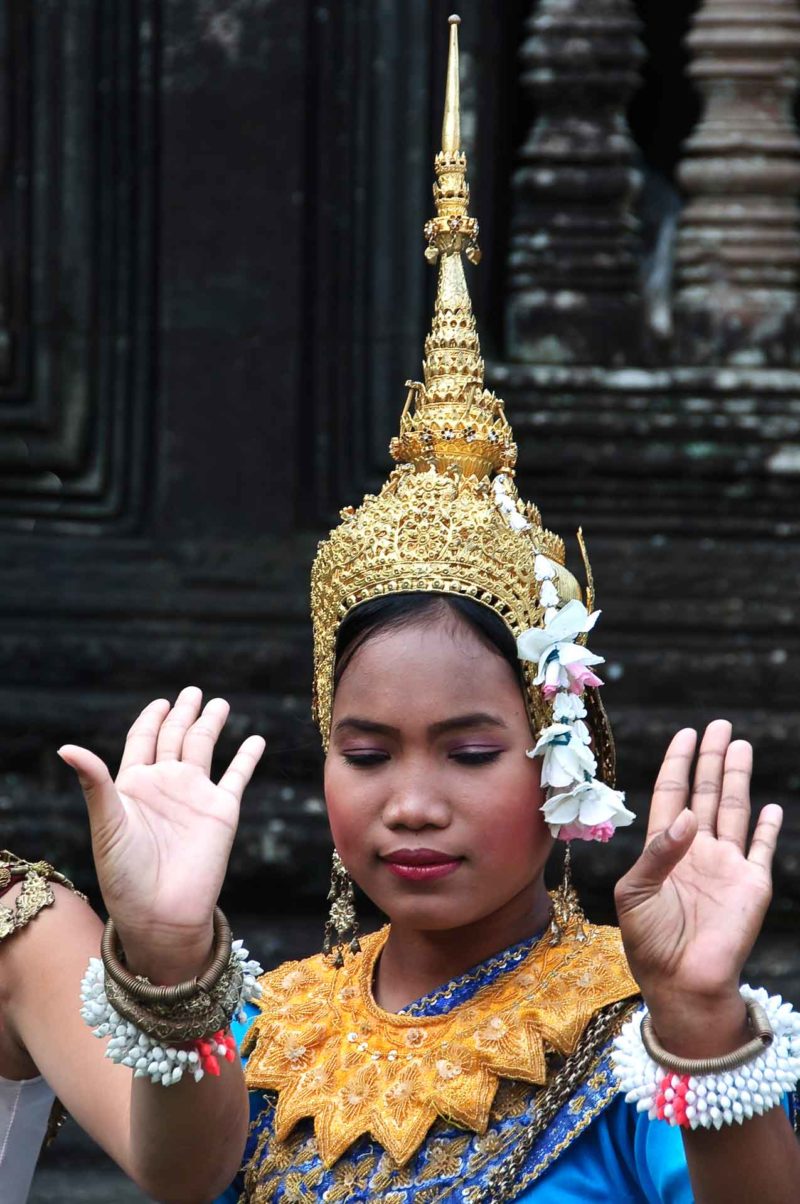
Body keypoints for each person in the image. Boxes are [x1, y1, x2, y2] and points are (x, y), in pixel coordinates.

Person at [20, 13, 800, 1204]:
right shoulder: (268, 1020)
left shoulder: (638, 1024)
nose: (411, 803)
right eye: (365, 750)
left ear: (560, 757)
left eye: (470, 749)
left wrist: (696, 1018)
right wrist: (171, 955)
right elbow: (186, 1182)